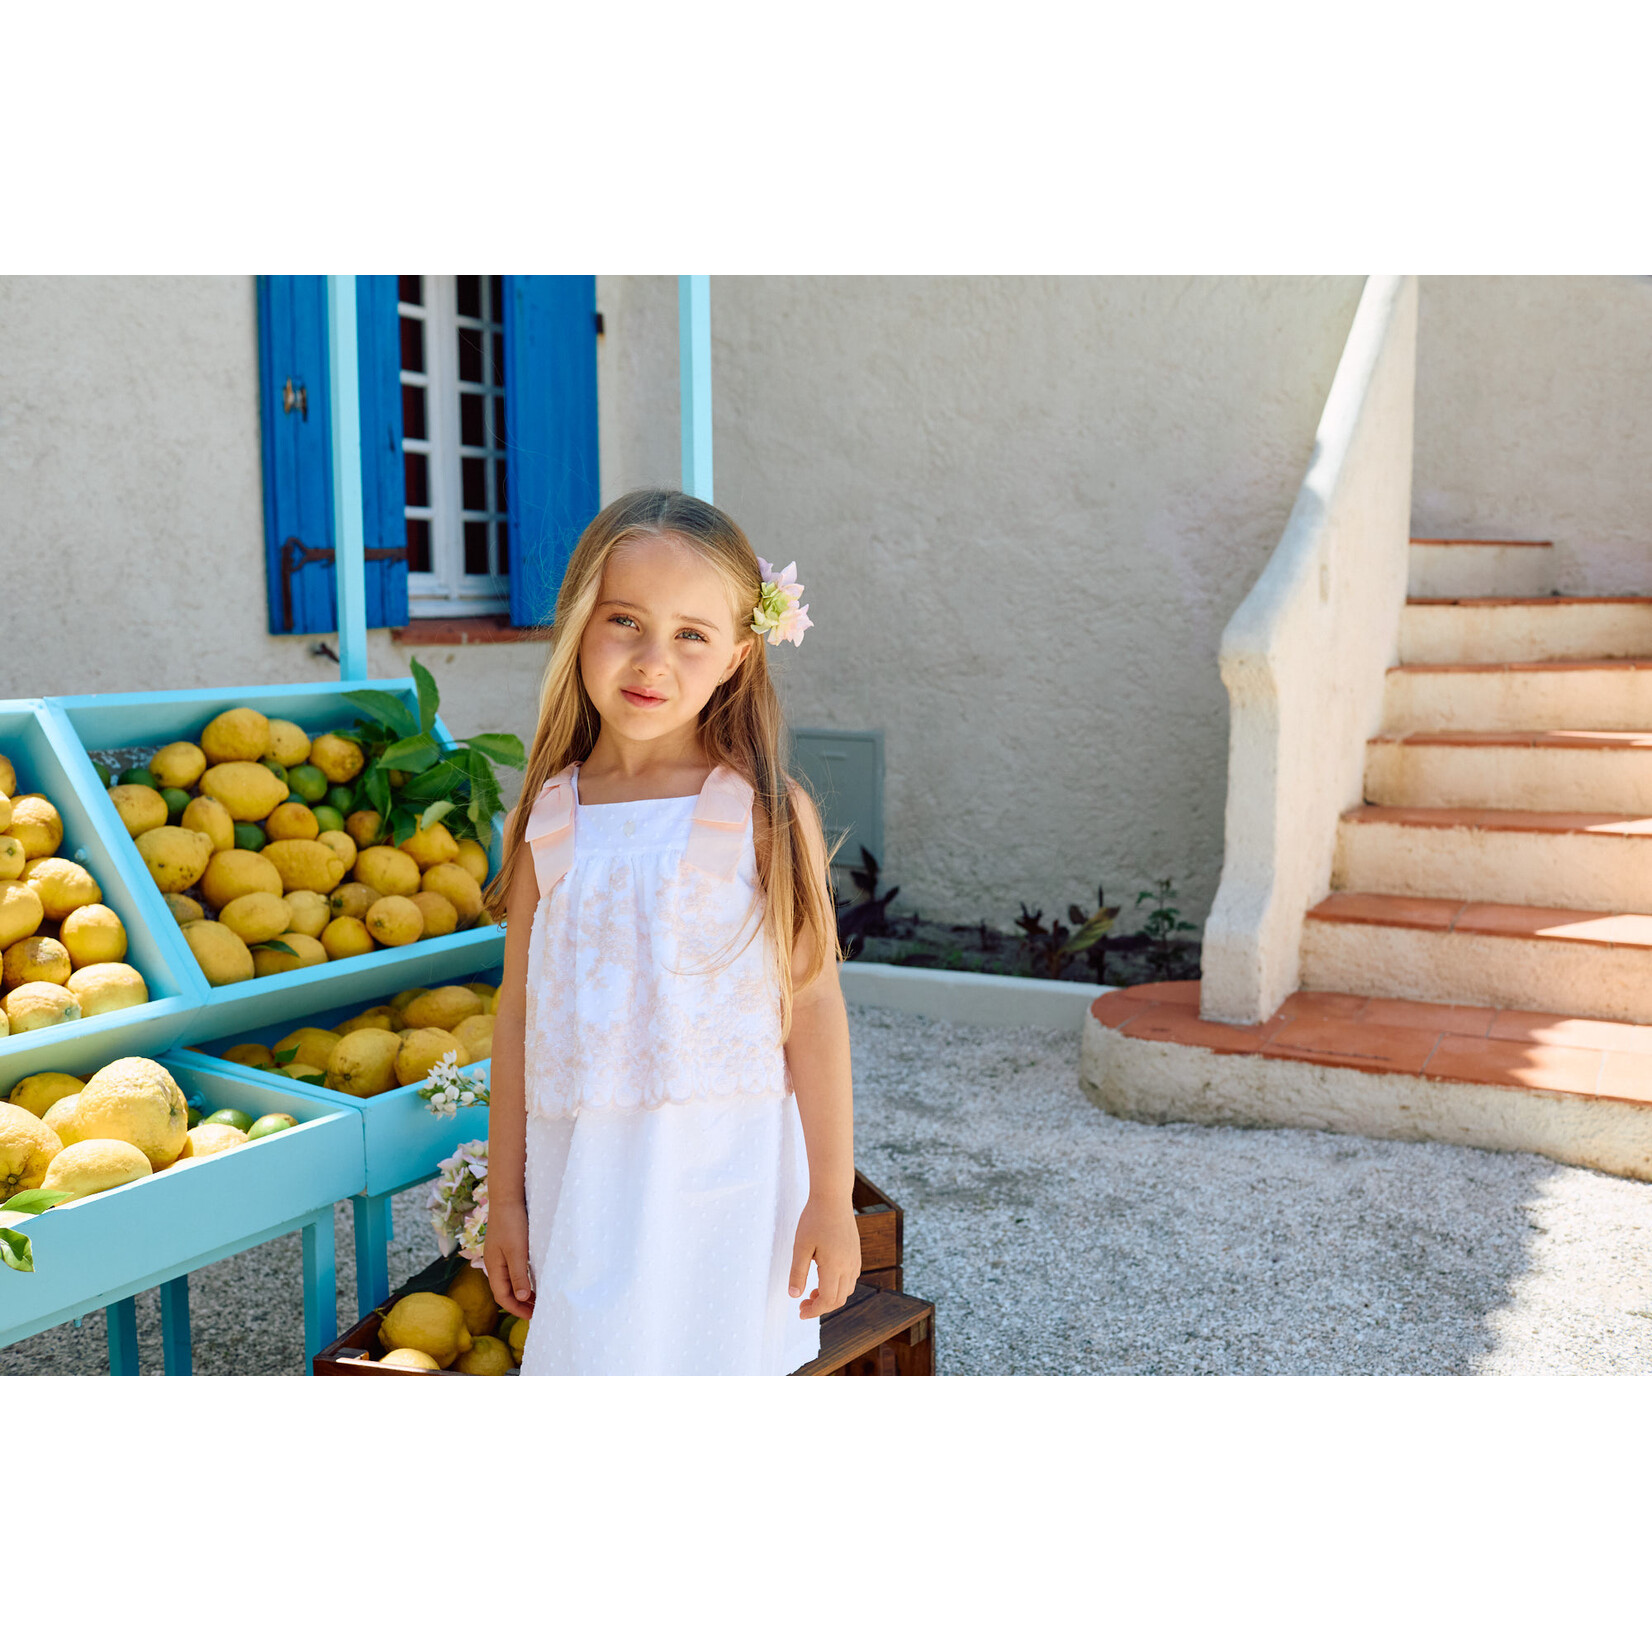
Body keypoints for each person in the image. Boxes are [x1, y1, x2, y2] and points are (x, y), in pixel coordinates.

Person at [482, 488, 859, 1375]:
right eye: (625, 621)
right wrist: (506, 1201)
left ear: (738, 654)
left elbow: (811, 1004)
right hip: (585, 1185)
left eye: (692, 633)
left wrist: (831, 1199)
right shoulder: (551, 818)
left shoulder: (764, 815)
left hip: (724, 1185)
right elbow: (517, 1014)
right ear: (579, 625)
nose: (654, 660)